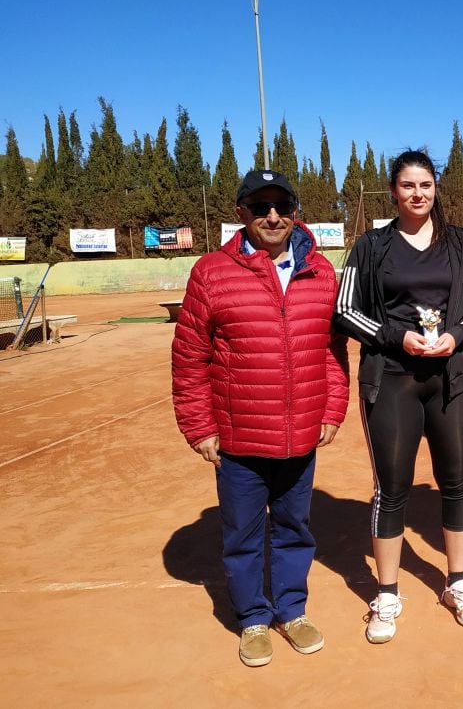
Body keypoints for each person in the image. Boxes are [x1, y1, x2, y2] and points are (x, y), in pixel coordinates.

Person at [172, 168, 348, 667]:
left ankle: (292, 610)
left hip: (301, 432)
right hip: (239, 436)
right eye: (260, 206)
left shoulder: (321, 271)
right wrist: (200, 426)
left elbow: (334, 350)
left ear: (296, 212)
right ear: (241, 213)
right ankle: (252, 618)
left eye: (282, 206)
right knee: (243, 534)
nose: (273, 216)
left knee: (295, 527)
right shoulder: (211, 272)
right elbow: (189, 357)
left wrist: (332, 407)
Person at [334, 149, 463, 642]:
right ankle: (386, 592)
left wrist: (457, 335)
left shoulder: (462, 243)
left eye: (426, 184)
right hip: (393, 377)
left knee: (456, 481)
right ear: (393, 191)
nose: (418, 193)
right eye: (408, 186)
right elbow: (344, 311)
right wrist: (393, 337)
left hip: (452, 378)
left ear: (435, 188)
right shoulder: (371, 246)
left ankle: (458, 582)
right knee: (392, 488)